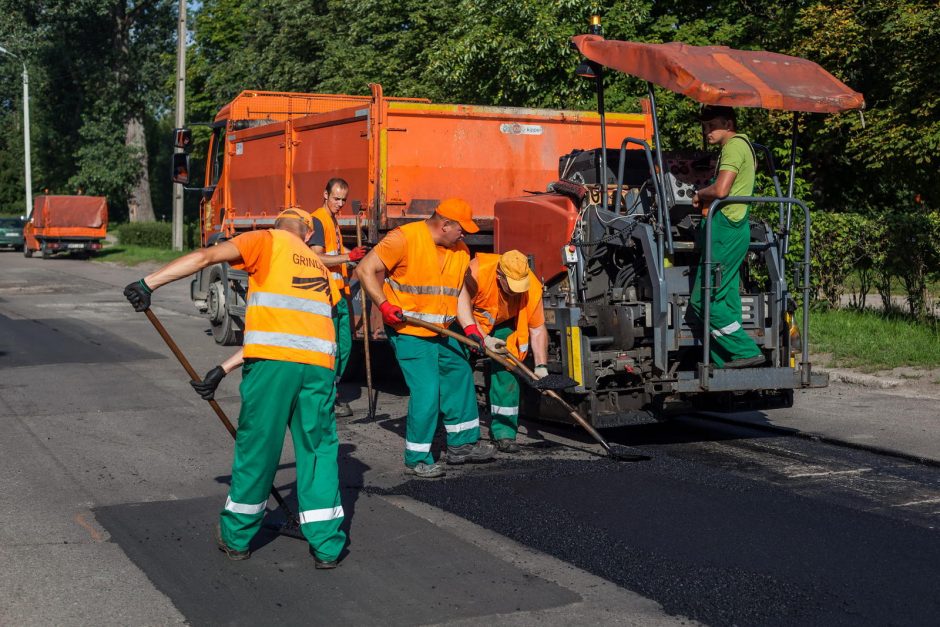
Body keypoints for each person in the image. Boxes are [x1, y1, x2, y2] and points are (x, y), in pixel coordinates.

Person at [123, 207, 346, 568]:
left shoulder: (266, 241)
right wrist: (222, 369)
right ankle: (327, 547)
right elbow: (291, 332)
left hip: (273, 369)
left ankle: (237, 537)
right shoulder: (320, 267)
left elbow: (206, 256)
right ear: (307, 235)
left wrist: (149, 282)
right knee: (318, 452)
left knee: (258, 448)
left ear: (279, 226)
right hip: (319, 370)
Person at [356, 198, 496, 479]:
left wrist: (470, 329)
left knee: (459, 373)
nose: (465, 234)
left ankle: (463, 444)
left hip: (442, 329)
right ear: (444, 225)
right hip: (409, 331)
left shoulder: (460, 250)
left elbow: (457, 295)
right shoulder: (404, 239)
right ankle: (417, 457)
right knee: (428, 390)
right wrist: (384, 305)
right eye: (461, 229)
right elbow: (364, 269)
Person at [690, 105, 766, 369]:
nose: (707, 131)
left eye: (712, 126)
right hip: (737, 227)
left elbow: (721, 190)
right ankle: (726, 360)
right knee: (726, 297)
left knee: (702, 300)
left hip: (725, 228)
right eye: (705, 126)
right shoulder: (745, 146)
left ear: (728, 123)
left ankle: (744, 350)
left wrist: (700, 194)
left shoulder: (733, 147)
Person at [456, 250, 549, 453]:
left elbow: (537, 328)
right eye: (512, 287)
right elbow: (462, 308)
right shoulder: (476, 271)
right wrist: (484, 339)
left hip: (502, 323)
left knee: (508, 369)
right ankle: (458, 433)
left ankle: (504, 434)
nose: (516, 293)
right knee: (459, 372)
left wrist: (541, 366)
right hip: (467, 323)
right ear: (500, 277)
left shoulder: (530, 285)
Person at [310, 178, 370, 418]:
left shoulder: (332, 220)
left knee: (344, 345)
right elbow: (318, 258)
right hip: (327, 295)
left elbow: (336, 250)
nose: (340, 203)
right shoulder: (317, 219)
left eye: (343, 199)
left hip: (340, 292)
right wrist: (348, 258)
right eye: (336, 198)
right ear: (325, 194)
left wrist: (358, 255)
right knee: (331, 347)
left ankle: (331, 388)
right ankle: (326, 396)